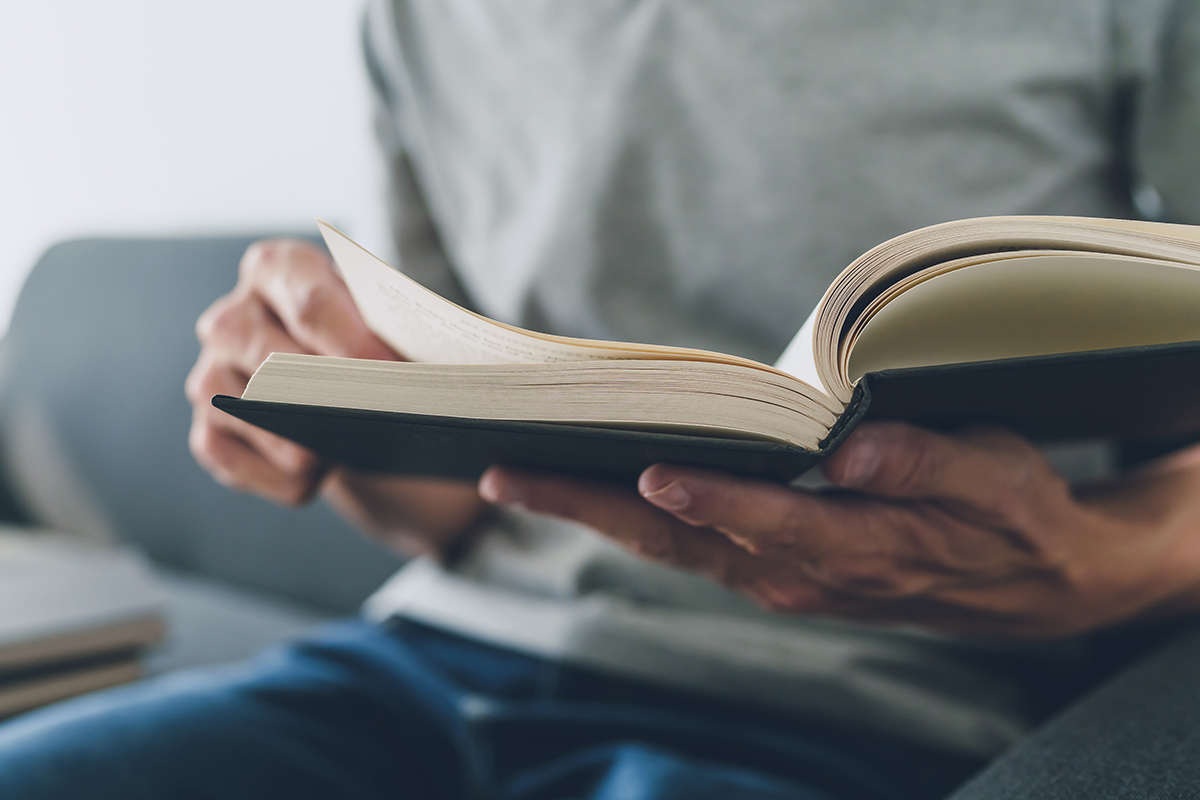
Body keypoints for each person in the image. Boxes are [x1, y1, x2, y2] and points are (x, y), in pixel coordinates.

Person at [2, 1, 1200, 797]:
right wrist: (304, 405)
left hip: (865, 711)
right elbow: (461, 506)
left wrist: (1117, 557)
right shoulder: (425, 21)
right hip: (428, 659)